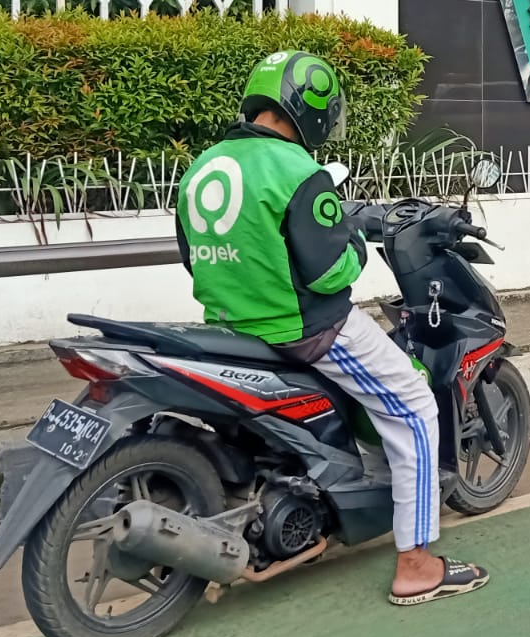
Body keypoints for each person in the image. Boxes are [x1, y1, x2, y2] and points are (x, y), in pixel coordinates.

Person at [175, 50, 489, 606]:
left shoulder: (204, 167)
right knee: (414, 402)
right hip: (306, 330)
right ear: (311, 107)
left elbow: (192, 257)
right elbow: (329, 273)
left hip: (228, 329)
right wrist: (354, 248)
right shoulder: (298, 171)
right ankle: (416, 565)